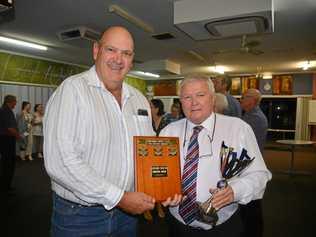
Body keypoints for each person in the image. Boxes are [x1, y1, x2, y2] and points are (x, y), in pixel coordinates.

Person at [44, 26, 160, 237]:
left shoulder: (138, 99)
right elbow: (60, 161)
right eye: (111, 50)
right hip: (80, 217)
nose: (118, 59)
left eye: (126, 53)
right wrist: (119, 198)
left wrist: (161, 188)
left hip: (128, 215)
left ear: (132, 59)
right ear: (96, 51)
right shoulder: (72, 91)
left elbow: (148, 151)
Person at [160, 75, 271, 237]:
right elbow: (160, 173)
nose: (194, 102)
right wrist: (163, 190)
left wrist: (235, 190)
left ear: (212, 99)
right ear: (180, 101)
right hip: (177, 224)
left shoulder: (238, 129)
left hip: (223, 227)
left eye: (200, 95)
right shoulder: (168, 132)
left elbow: (259, 175)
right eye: (187, 97)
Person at [239, 89, 268, 237]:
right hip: (250, 163)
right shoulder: (250, 115)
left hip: (251, 165)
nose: (240, 100)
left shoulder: (254, 118)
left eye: (243, 98)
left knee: (252, 202)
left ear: (252, 100)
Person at [0, 95, 21, 192]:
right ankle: (6, 187)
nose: (16, 103)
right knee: (8, 164)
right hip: (7, 140)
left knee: (6, 163)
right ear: (10, 102)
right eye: (15, 101)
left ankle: (5, 185)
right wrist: (18, 136)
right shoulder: (6, 111)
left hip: (5, 139)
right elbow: (10, 128)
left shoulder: (4, 110)